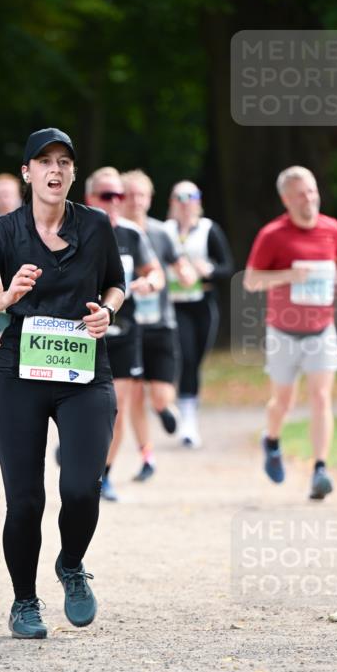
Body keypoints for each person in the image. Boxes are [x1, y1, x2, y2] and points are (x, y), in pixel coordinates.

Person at [0, 128, 125, 639]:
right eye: (44, 162)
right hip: (18, 377)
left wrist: (107, 313)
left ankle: (71, 564)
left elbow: (117, 284)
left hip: (83, 374)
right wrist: (5, 298)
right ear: (27, 173)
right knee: (26, 500)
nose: (55, 170)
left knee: (80, 488)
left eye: (65, 163)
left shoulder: (96, 226)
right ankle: (24, 602)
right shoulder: (5, 231)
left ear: (73, 174)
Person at [244, 165, 337, 500]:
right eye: (300, 194)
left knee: (322, 397)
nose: (308, 198)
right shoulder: (273, 235)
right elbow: (251, 281)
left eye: (311, 191)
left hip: (322, 330)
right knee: (284, 401)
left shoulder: (331, 228)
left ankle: (320, 470)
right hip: (282, 331)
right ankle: (272, 441)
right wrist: (289, 276)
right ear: (285, 199)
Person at [84, 167, 163, 501]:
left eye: (120, 195)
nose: (115, 202)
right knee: (80, 409)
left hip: (125, 332)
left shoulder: (132, 234)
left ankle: (104, 474)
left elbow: (155, 271)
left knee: (114, 408)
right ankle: (77, 456)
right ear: (90, 198)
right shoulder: (73, 230)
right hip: (81, 335)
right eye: (107, 196)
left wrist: (151, 283)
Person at [121, 169, 197, 481]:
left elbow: (182, 266)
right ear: (120, 198)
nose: (137, 201)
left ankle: (167, 410)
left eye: (142, 195)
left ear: (150, 199)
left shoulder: (160, 233)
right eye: (130, 195)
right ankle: (146, 455)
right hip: (129, 326)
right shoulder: (114, 233)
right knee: (135, 394)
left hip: (161, 324)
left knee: (160, 396)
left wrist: (187, 274)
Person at [162, 181, 234, 447]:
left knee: (195, 360)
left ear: (198, 200)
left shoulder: (208, 229)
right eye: (179, 196)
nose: (185, 201)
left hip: (202, 304)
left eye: (191, 196)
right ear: (172, 201)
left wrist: (210, 270)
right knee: (186, 355)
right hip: (173, 304)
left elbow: (228, 266)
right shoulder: (164, 230)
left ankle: (188, 409)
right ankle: (187, 421)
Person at [0, 174, 24, 374]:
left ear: (18, 197)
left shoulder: (31, 224)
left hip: (25, 293)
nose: (3, 200)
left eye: (8, 195)